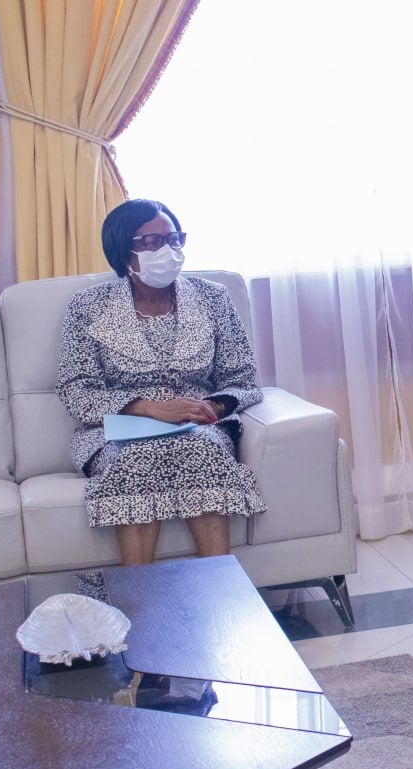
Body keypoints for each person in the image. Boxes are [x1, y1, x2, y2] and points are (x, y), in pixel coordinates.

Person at [56, 199, 266, 566]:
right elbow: (76, 390)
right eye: (152, 242)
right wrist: (150, 409)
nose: (168, 251)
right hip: (122, 428)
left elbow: (244, 379)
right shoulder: (88, 306)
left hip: (198, 426)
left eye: (174, 239)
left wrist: (208, 408)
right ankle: (141, 598)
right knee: (137, 456)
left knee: (202, 450)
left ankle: (221, 591)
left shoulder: (212, 298)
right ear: (124, 252)